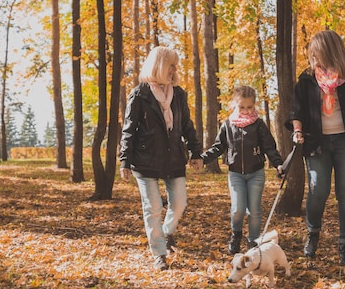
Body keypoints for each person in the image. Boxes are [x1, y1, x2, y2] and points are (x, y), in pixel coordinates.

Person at [286, 30, 345, 266]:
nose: (313, 58)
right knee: (318, 189)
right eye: (312, 54)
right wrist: (297, 131)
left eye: (316, 53)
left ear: (329, 51)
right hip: (316, 142)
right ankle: (313, 233)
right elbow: (296, 110)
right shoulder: (308, 78)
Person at [120, 46, 203, 271]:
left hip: (174, 157)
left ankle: (166, 232)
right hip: (145, 160)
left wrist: (196, 152)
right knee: (154, 207)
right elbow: (128, 129)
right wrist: (125, 160)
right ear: (158, 65)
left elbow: (186, 125)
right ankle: (159, 253)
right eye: (171, 65)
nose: (174, 69)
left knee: (179, 204)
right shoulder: (140, 94)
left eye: (175, 65)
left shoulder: (179, 94)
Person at [201, 85, 284, 254]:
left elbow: (270, 147)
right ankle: (236, 234)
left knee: (254, 210)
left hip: (256, 173)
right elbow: (218, 147)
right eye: (242, 107)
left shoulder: (259, 125)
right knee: (238, 210)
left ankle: (254, 243)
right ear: (235, 105)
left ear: (254, 106)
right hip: (236, 174)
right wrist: (202, 159)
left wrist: (278, 163)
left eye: (249, 107)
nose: (246, 111)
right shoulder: (228, 125)